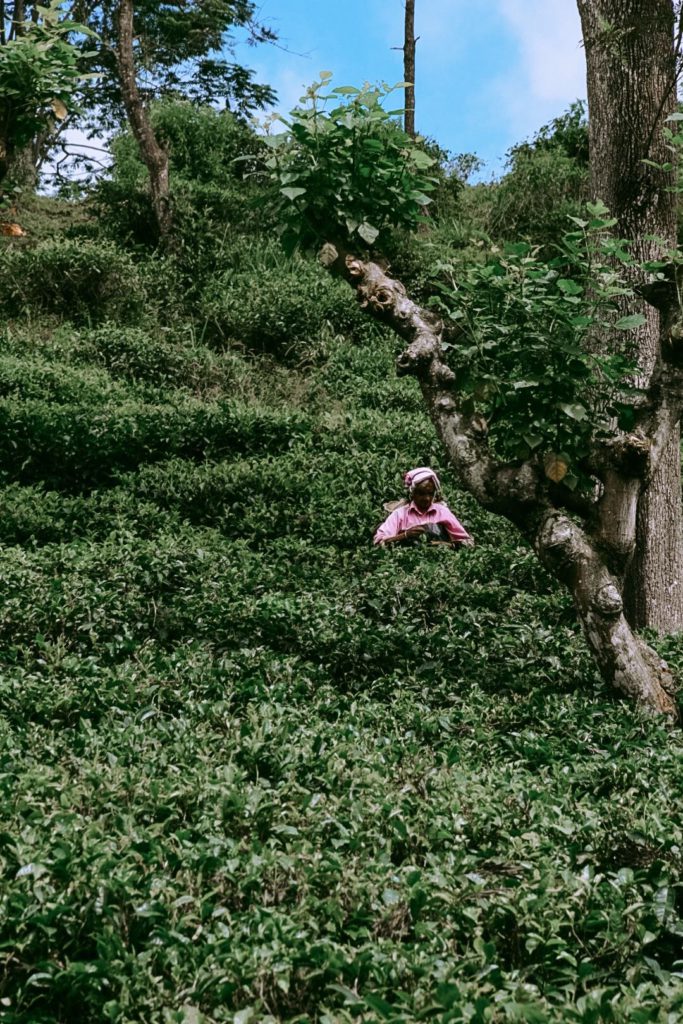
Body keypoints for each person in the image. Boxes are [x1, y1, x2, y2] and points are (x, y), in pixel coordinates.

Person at [374, 466, 473, 547]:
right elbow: (379, 541)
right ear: (412, 493)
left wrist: (446, 545)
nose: (426, 498)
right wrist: (405, 535)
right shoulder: (400, 514)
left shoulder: (442, 512)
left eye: (430, 494)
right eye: (421, 493)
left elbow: (466, 542)